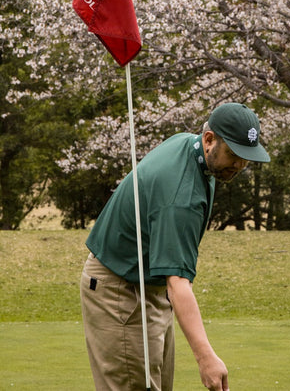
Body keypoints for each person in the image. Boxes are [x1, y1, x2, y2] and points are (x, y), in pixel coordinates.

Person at [80, 103, 270, 391]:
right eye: (234, 155)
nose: (240, 165)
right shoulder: (181, 198)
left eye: (246, 158)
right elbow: (178, 283)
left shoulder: (189, 146)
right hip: (120, 290)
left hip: (146, 285)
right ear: (209, 140)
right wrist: (206, 358)